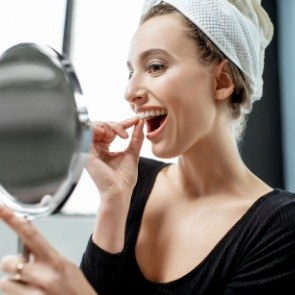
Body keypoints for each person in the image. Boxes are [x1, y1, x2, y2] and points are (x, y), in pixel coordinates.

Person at [0, 0, 295, 294]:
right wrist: (113, 205)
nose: (130, 92)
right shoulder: (132, 185)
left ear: (221, 81)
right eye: (131, 72)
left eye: (155, 67)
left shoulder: (281, 226)